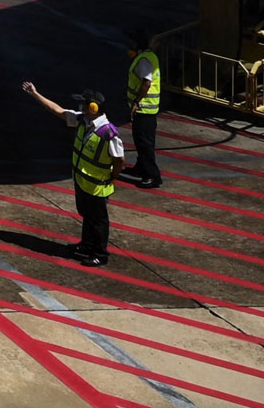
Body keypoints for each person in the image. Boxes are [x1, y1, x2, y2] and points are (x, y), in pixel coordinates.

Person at [23, 81, 125, 265]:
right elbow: (58, 111)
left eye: (84, 103)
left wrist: (112, 177)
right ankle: (86, 245)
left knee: (99, 221)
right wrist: (35, 94)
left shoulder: (108, 133)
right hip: (83, 181)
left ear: (93, 107)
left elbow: (119, 160)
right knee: (87, 216)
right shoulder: (82, 121)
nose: (81, 106)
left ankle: (100, 254)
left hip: (97, 186)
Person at [124, 30, 165, 189]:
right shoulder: (150, 56)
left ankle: (153, 176)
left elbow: (146, 83)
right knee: (143, 142)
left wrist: (136, 102)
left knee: (144, 144)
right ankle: (141, 168)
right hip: (148, 110)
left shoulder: (142, 61)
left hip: (144, 110)